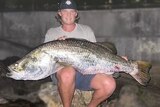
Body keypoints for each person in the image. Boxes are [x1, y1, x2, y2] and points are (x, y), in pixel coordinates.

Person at [44, 0, 116, 107]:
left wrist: (114, 60)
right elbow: (47, 60)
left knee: (109, 84)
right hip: (62, 73)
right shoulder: (52, 33)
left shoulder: (87, 30)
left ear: (76, 13)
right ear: (59, 13)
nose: (68, 15)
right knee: (68, 72)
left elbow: (97, 55)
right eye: (65, 11)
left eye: (72, 11)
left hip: (85, 72)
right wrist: (56, 43)